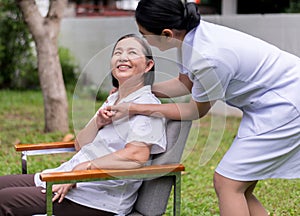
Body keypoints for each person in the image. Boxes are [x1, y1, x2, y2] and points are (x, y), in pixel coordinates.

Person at [107, 1, 300, 215]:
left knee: (227, 184)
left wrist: (136, 107)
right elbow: (184, 83)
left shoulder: (208, 57)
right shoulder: (189, 39)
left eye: (145, 35)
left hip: (287, 104)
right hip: (269, 104)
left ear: (166, 33)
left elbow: (195, 111)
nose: (144, 40)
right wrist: (135, 89)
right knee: (239, 188)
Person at [0, 34, 166, 216]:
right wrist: (99, 122)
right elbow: (80, 145)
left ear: (148, 65)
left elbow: (136, 155)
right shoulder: (114, 99)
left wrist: (83, 169)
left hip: (96, 199)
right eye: (117, 52)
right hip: (69, 178)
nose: (123, 57)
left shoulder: (148, 107)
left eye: (132, 52)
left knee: (4, 200)